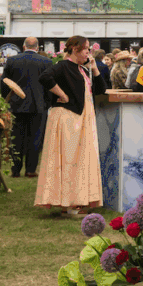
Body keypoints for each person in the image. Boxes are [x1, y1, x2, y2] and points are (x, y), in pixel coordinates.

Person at [34, 35, 107, 215]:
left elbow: (101, 90)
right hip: (69, 118)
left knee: (78, 159)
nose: (88, 53)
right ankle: (70, 202)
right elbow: (44, 77)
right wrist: (63, 95)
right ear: (75, 49)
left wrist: (95, 69)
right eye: (86, 49)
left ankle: (76, 200)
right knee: (70, 159)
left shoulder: (81, 69)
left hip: (80, 118)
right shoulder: (63, 66)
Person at [0, 36, 52, 178]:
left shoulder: (12, 60)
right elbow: (50, 85)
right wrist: (47, 103)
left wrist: (6, 100)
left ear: (23, 46)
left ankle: (15, 170)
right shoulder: (46, 62)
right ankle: (30, 169)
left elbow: (4, 82)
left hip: (16, 105)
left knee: (16, 138)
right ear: (37, 47)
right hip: (38, 105)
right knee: (35, 138)